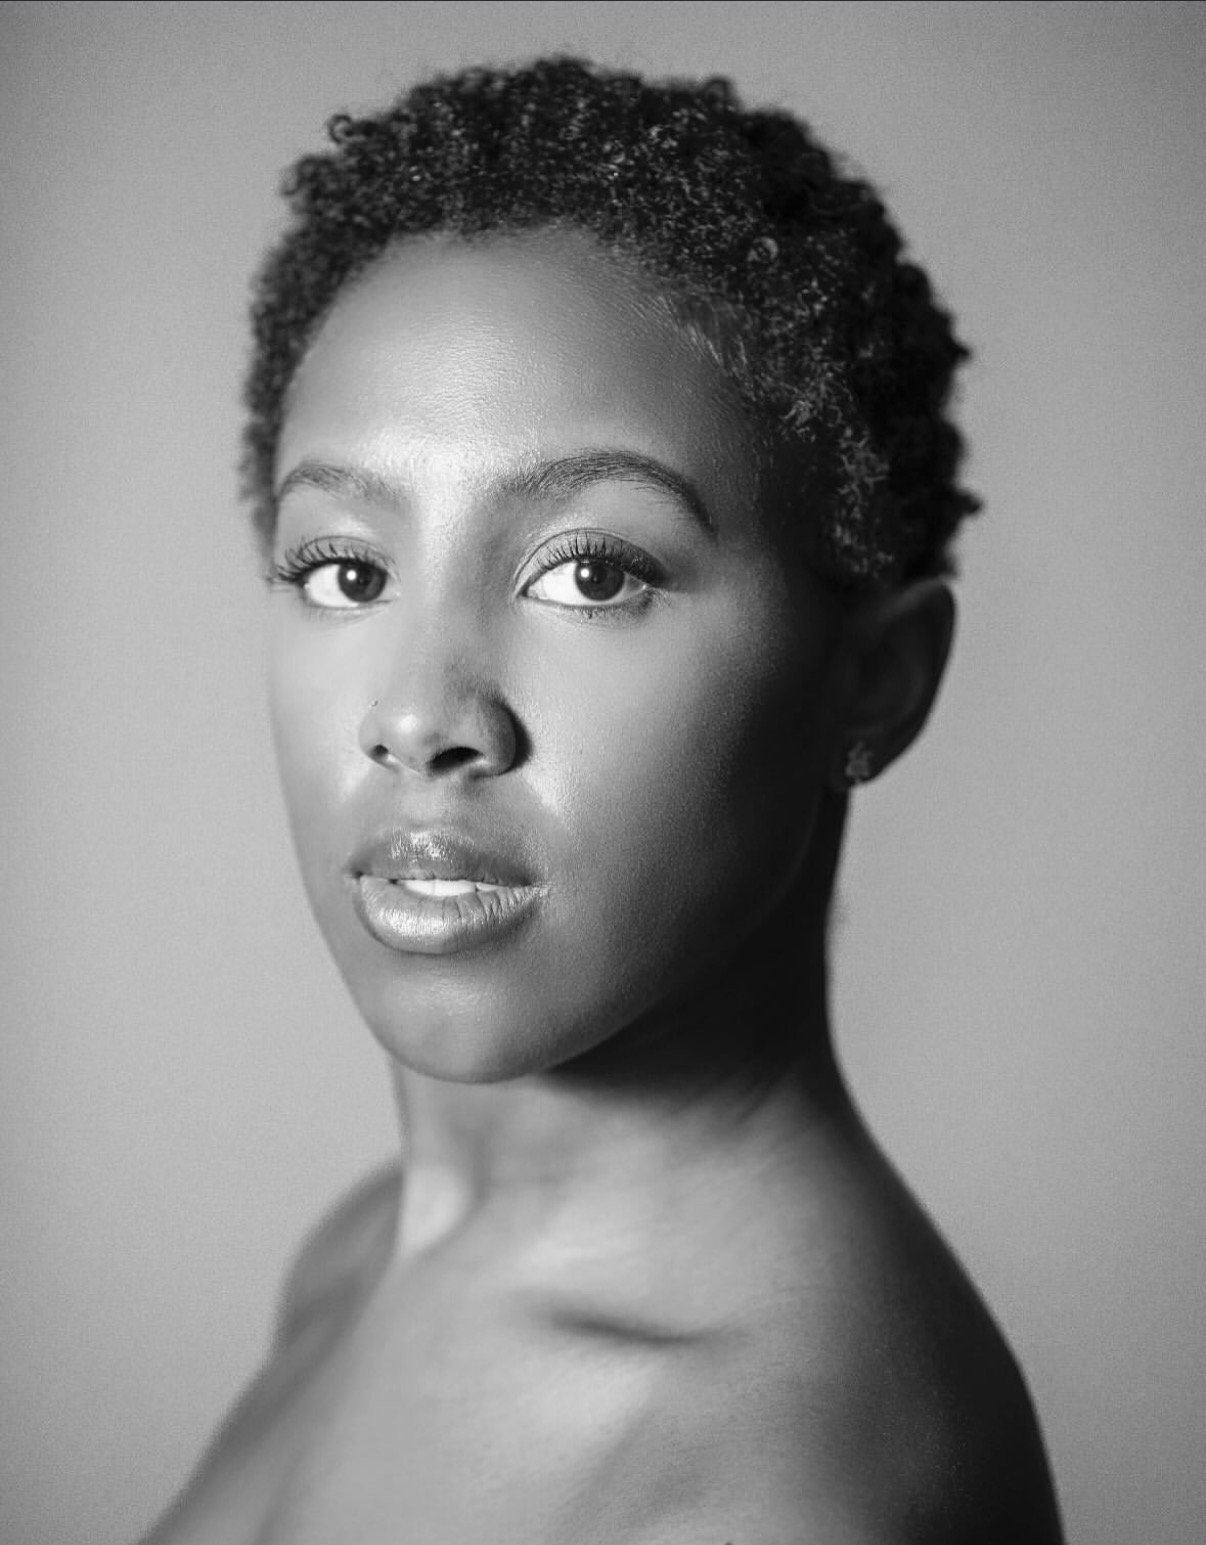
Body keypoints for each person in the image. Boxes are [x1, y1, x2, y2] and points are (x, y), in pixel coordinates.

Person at [141, 57, 1063, 1544]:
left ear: (873, 683)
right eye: (345, 570)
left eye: (592, 572)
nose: (422, 715)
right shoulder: (360, 1253)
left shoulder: (771, 1493)